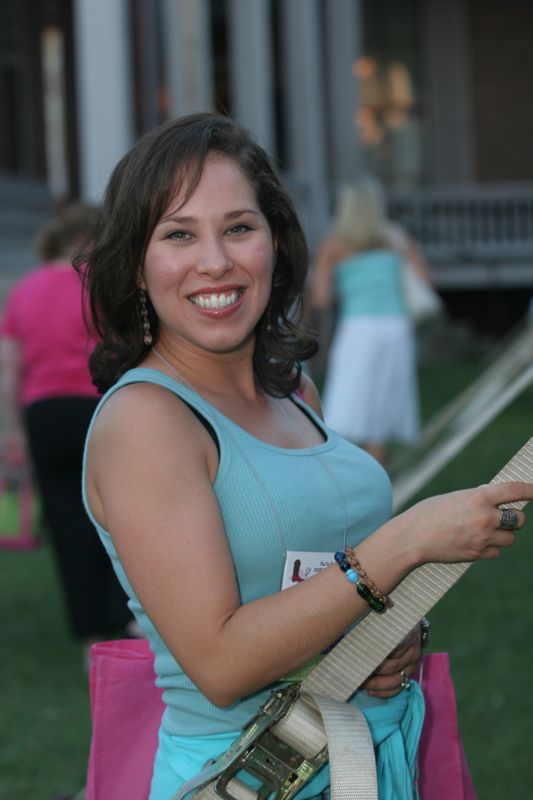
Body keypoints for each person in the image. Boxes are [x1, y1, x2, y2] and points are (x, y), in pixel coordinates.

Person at [77, 113, 532, 800]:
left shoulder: (293, 391)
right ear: (137, 267)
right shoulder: (146, 422)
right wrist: (403, 544)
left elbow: (316, 580)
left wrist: (394, 633)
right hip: (255, 776)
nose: (215, 261)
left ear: (274, 243)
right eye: (178, 234)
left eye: (238, 227)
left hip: (369, 756)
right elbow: (222, 663)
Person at [0, 203, 135, 664]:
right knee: (119, 516)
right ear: (88, 241)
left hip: (42, 415)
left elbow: (7, 367)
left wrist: (12, 431)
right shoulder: (97, 283)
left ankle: (90, 637)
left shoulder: (23, 290)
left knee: (65, 523)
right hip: (97, 408)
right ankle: (128, 618)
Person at [311, 177, 435, 466]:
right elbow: (426, 281)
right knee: (381, 404)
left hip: (360, 328)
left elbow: (322, 299)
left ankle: (352, 473)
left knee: (348, 401)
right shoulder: (397, 238)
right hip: (396, 327)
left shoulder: (335, 245)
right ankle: (379, 469)